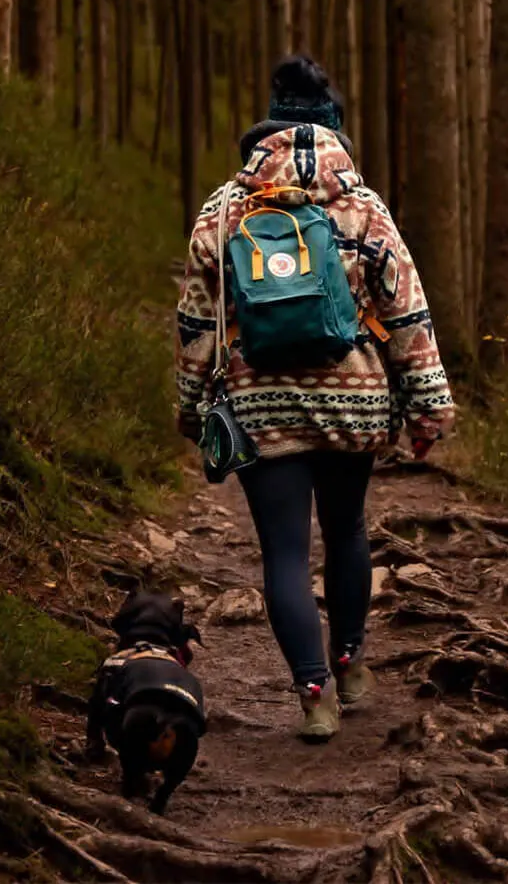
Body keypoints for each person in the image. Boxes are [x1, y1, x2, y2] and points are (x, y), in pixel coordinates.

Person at [176, 56, 454, 741]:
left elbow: (195, 322)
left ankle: (313, 692)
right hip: (355, 402)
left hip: (259, 403)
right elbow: (408, 310)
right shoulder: (365, 207)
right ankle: (352, 661)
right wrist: (429, 404)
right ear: (334, 130)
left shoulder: (223, 207)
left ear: (266, 128)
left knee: (284, 554)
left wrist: (189, 404)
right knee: (348, 530)